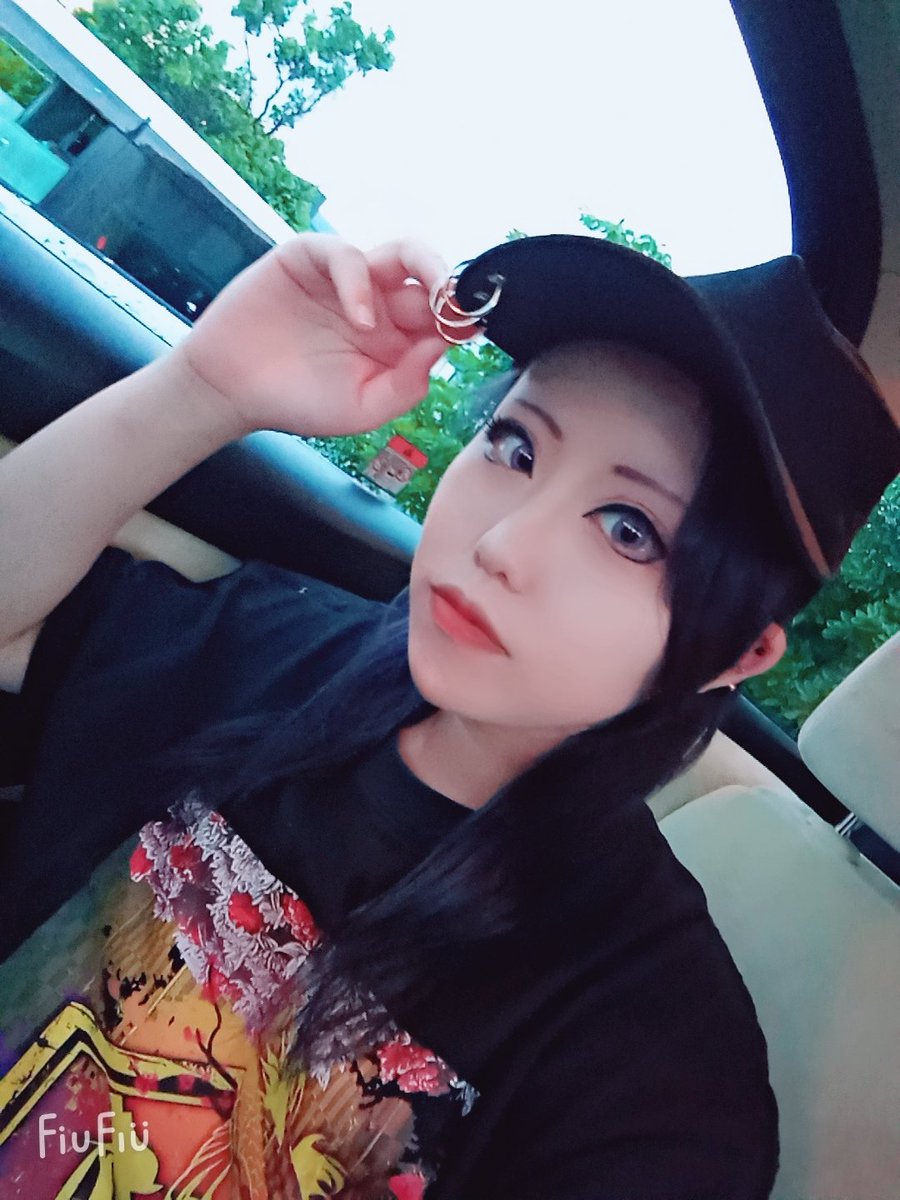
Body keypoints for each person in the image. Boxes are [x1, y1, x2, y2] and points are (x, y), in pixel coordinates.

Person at [0, 232, 896, 1200]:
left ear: (737, 654)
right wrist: (203, 389)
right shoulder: (284, 646)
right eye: (517, 448)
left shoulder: (656, 1077)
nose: (503, 542)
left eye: (629, 530)